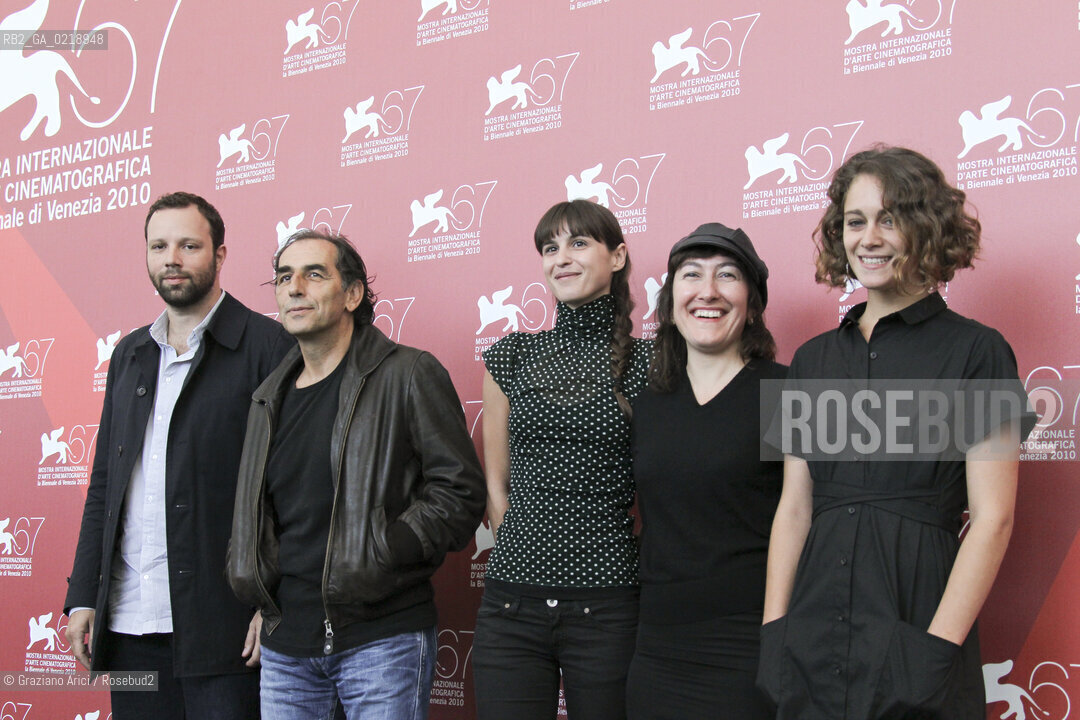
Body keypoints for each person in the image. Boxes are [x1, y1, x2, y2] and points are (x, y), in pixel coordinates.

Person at [759, 146, 1037, 720]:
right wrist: (773, 634)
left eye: (890, 219)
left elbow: (993, 519)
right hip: (808, 633)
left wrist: (933, 651)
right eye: (856, 221)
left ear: (927, 227)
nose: (869, 238)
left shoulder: (978, 350)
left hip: (918, 621)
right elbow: (793, 507)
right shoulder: (810, 361)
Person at [226, 229, 485, 720]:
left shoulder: (408, 373)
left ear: (352, 294)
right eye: (284, 277)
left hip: (381, 637)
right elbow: (273, 519)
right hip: (286, 649)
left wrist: (385, 550)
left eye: (313, 273)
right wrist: (267, 601)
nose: (294, 287)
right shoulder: (266, 398)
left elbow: (460, 492)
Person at [65, 191, 295, 719]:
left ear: (219, 256)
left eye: (189, 245)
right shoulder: (129, 354)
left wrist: (272, 599)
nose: (172, 258)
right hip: (127, 628)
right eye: (159, 246)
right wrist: (84, 596)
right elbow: (105, 483)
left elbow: (294, 488)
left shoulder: (269, 345)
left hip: (225, 628)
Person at [472, 199, 652, 720]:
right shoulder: (510, 355)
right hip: (511, 607)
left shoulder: (650, 361)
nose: (561, 258)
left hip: (608, 605)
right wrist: (521, 549)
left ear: (617, 257)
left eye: (578, 243)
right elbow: (497, 484)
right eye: (550, 248)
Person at [627, 223, 785, 720]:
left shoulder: (791, 390)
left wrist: (1003, 414)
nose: (708, 291)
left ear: (753, 303)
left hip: (750, 643)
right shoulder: (645, 401)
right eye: (691, 275)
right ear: (671, 301)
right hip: (654, 645)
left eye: (728, 275)